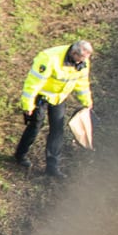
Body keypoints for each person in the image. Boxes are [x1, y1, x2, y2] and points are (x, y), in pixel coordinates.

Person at [14, 39, 93, 178]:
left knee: (57, 130)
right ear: (74, 53)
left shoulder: (83, 62)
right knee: (35, 126)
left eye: (85, 60)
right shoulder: (49, 58)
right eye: (81, 59)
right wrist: (28, 104)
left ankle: (52, 167)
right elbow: (33, 83)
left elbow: (82, 83)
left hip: (59, 98)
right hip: (41, 97)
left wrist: (87, 101)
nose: (83, 63)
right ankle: (20, 155)